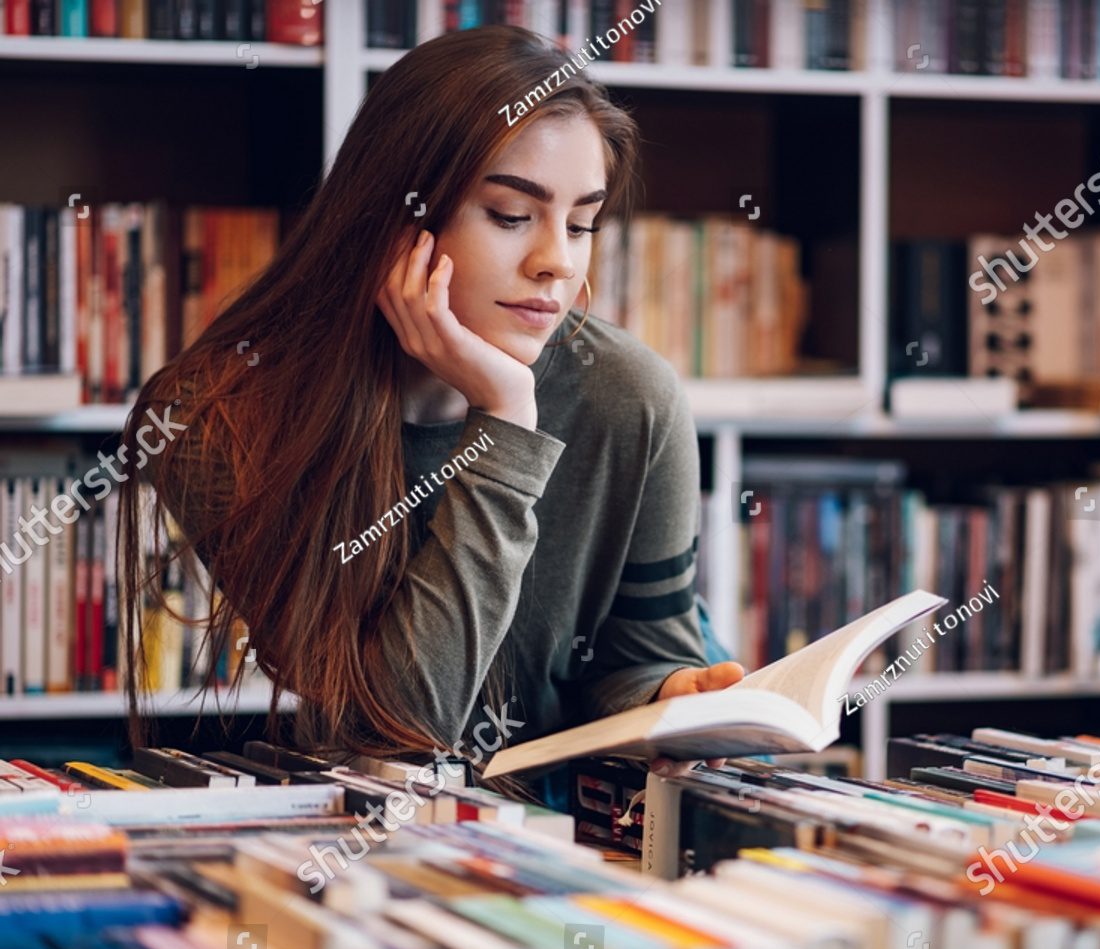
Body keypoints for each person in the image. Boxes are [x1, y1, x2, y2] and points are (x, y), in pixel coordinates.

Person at [120, 25, 742, 796]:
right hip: (380, 838)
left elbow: (639, 659)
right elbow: (399, 727)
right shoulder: (214, 418)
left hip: (578, 838)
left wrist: (670, 695)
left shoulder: (631, 398)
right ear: (396, 215)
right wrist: (506, 421)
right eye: (511, 215)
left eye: (581, 223)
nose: (557, 261)